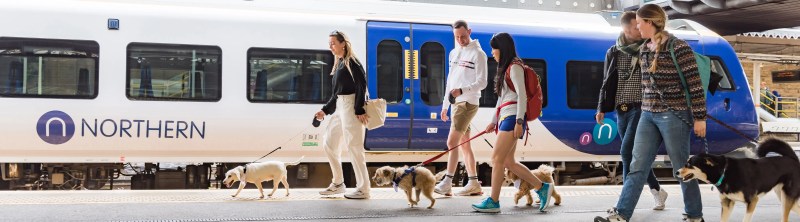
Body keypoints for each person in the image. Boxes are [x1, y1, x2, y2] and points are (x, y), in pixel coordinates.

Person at [595, 4, 706, 222]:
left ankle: (695, 215)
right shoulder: (645, 48)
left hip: (673, 115)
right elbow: (646, 87)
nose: (637, 27)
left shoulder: (678, 48)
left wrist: (700, 117)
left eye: (639, 23)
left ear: (650, 23)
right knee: (637, 164)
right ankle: (621, 214)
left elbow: (695, 86)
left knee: (681, 167)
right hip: (647, 115)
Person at [471, 32, 554, 213]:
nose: (492, 52)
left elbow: (522, 95)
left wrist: (518, 121)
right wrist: (493, 122)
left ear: (503, 48)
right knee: (508, 161)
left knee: (496, 159)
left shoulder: (515, 67)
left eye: (494, 48)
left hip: (512, 118)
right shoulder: (506, 69)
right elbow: (501, 101)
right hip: (505, 118)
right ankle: (542, 187)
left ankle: (493, 201)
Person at [595, 11, 668, 210]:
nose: (641, 29)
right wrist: (601, 107)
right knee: (636, 156)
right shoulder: (613, 51)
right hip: (621, 110)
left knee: (626, 152)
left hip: (641, 108)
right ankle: (657, 191)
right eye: (637, 26)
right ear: (626, 29)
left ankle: (624, 204)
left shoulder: (649, 47)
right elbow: (606, 81)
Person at [434, 20, 489, 197]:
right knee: (465, 145)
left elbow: (483, 82)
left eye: (463, 36)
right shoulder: (454, 53)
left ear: (470, 31)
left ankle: (448, 182)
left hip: (467, 102)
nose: (461, 40)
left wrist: (461, 91)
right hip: (456, 103)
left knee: (452, 142)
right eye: (457, 37)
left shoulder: (478, 54)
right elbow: (450, 81)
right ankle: (473, 183)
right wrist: (445, 105)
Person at [316, 30, 371, 199]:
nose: (330, 46)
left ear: (343, 44)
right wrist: (325, 110)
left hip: (351, 106)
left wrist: (359, 109)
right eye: (329, 43)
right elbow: (336, 94)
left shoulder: (352, 62)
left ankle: (364, 189)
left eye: (333, 43)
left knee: (354, 148)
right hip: (341, 107)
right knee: (329, 143)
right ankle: (338, 183)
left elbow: (361, 84)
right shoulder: (339, 63)